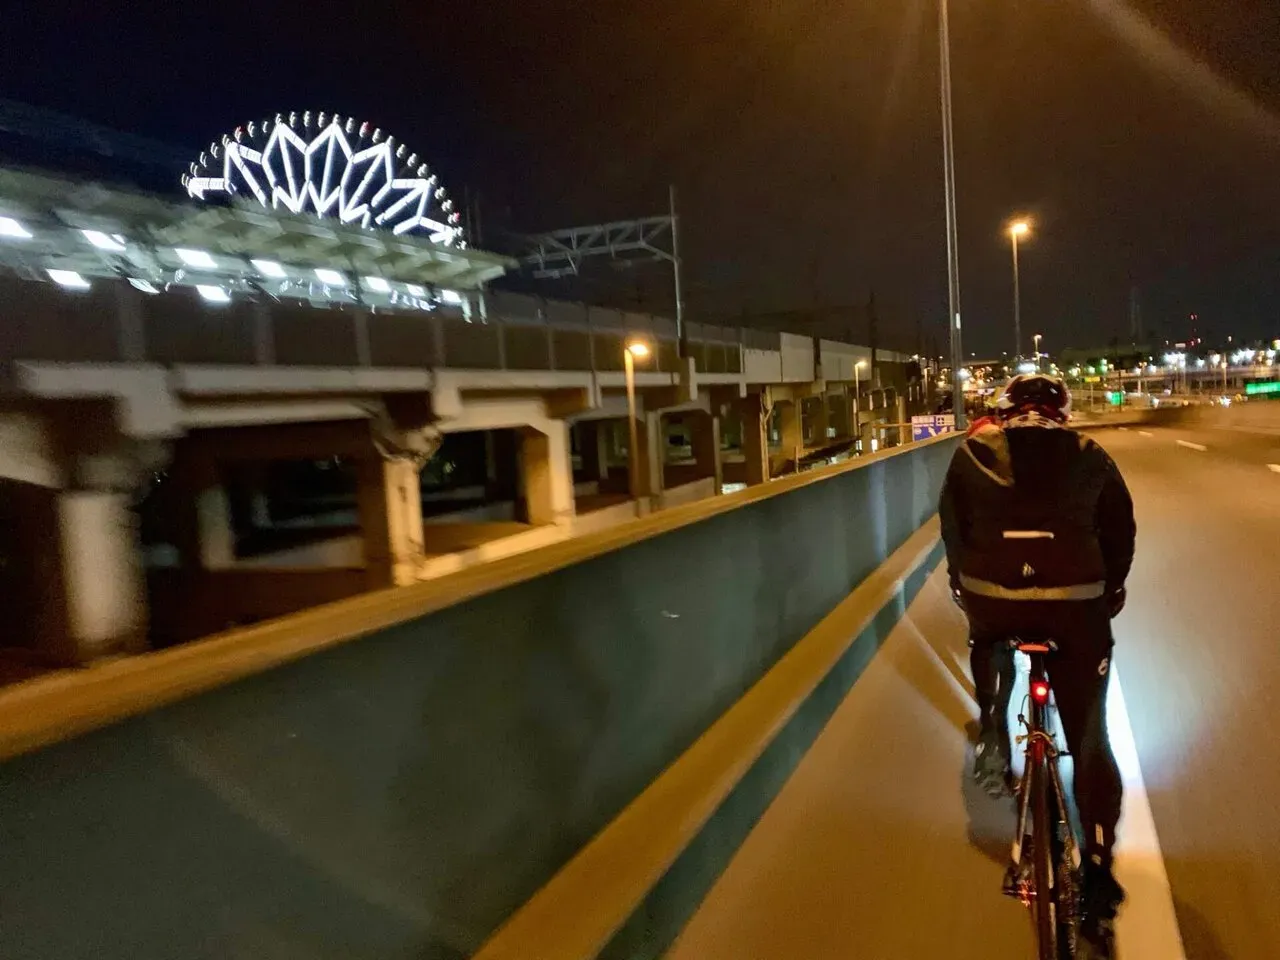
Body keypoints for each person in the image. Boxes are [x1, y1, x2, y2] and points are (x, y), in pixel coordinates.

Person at [939, 374, 1136, 959]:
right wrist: (1111, 591)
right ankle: (1098, 874)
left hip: (990, 599)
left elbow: (952, 530)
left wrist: (964, 586)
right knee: (1092, 738)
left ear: (1005, 412)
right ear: (1062, 414)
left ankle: (994, 729)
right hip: (1077, 608)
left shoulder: (972, 450)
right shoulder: (1090, 454)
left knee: (988, 637)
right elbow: (1120, 534)